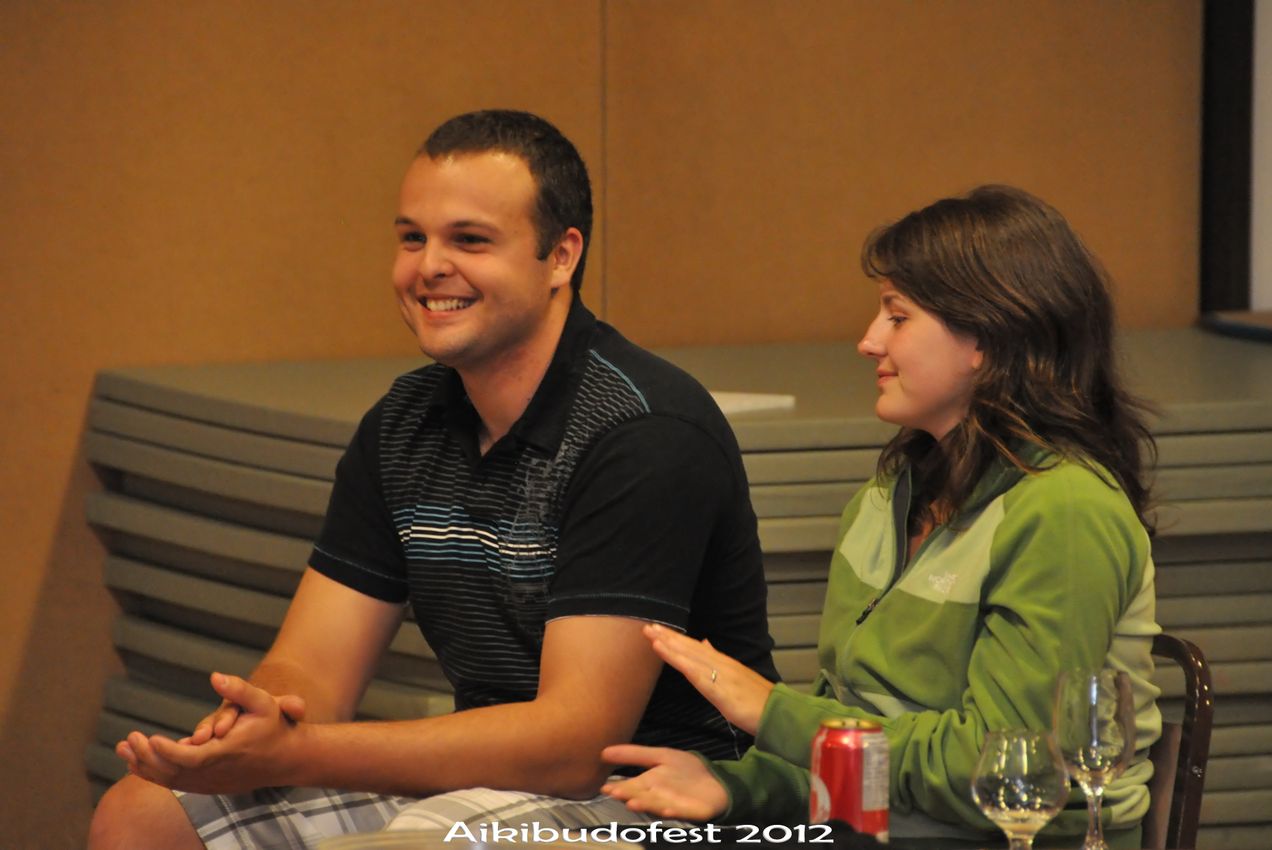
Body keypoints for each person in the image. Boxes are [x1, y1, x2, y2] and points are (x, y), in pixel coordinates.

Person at [89, 109, 777, 850]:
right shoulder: (402, 421)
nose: (428, 267)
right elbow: (314, 667)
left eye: (470, 240)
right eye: (412, 237)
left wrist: (305, 753)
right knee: (142, 813)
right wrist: (260, 724)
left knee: (415, 844)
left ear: (561, 256)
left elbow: (574, 743)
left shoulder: (643, 433)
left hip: (667, 799)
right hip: (493, 787)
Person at [602, 185, 1163, 846]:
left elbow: (1003, 770)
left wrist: (772, 710)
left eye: (897, 317)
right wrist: (734, 786)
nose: (868, 342)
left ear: (985, 337)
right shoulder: (891, 490)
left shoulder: (1064, 508)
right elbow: (861, 739)